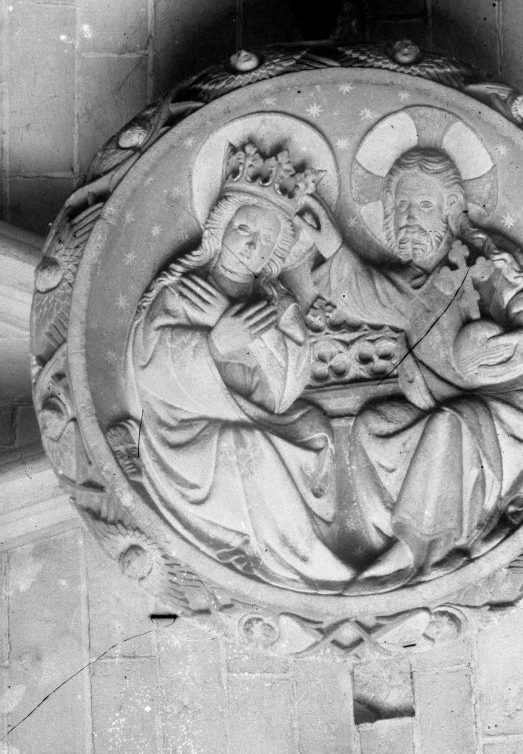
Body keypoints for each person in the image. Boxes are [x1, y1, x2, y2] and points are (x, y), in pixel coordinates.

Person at [301, 146, 523, 582]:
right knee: (374, 425)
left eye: (424, 204)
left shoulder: (478, 261)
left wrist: (521, 342)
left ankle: (424, 548)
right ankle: (391, 536)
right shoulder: (413, 283)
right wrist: (332, 245)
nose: (410, 217)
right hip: (444, 407)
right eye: (401, 207)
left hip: (506, 411)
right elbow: (363, 292)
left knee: (449, 426)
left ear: (451, 209)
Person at [121, 144, 355, 589]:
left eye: (264, 240)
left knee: (315, 429)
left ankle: (295, 547)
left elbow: (288, 385)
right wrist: (212, 345)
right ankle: (308, 562)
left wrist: (252, 337)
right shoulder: (181, 292)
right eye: (243, 228)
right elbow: (148, 363)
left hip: (258, 416)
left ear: (273, 254)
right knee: (248, 447)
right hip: (191, 432)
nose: (250, 243)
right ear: (221, 228)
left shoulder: (277, 304)